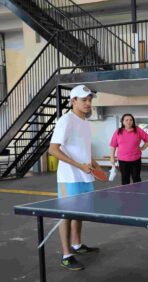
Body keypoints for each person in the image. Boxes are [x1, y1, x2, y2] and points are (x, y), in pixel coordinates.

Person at [48, 85, 101, 271]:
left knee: (79, 213)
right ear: (73, 101)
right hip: (69, 177)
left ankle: (77, 245)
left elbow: (84, 149)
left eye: (90, 100)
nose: (88, 103)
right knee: (66, 216)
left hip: (85, 176)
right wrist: (79, 166)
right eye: (84, 100)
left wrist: (95, 164)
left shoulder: (85, 122)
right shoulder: (66, 120)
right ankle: (66, 254)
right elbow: (53, 149)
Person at [109, 113, 148, 185]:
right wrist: (112, 157)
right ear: (123, 122)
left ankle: (138, 194)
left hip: (136, 159)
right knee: (125, 179)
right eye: (126, 120)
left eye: (131, 120)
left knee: (136, 178)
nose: (129, 122)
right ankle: (126, 195)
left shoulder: (138, 130)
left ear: (133, 121)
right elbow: (113, 145)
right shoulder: (118, 131)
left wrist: (142, 148)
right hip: (122, 160)